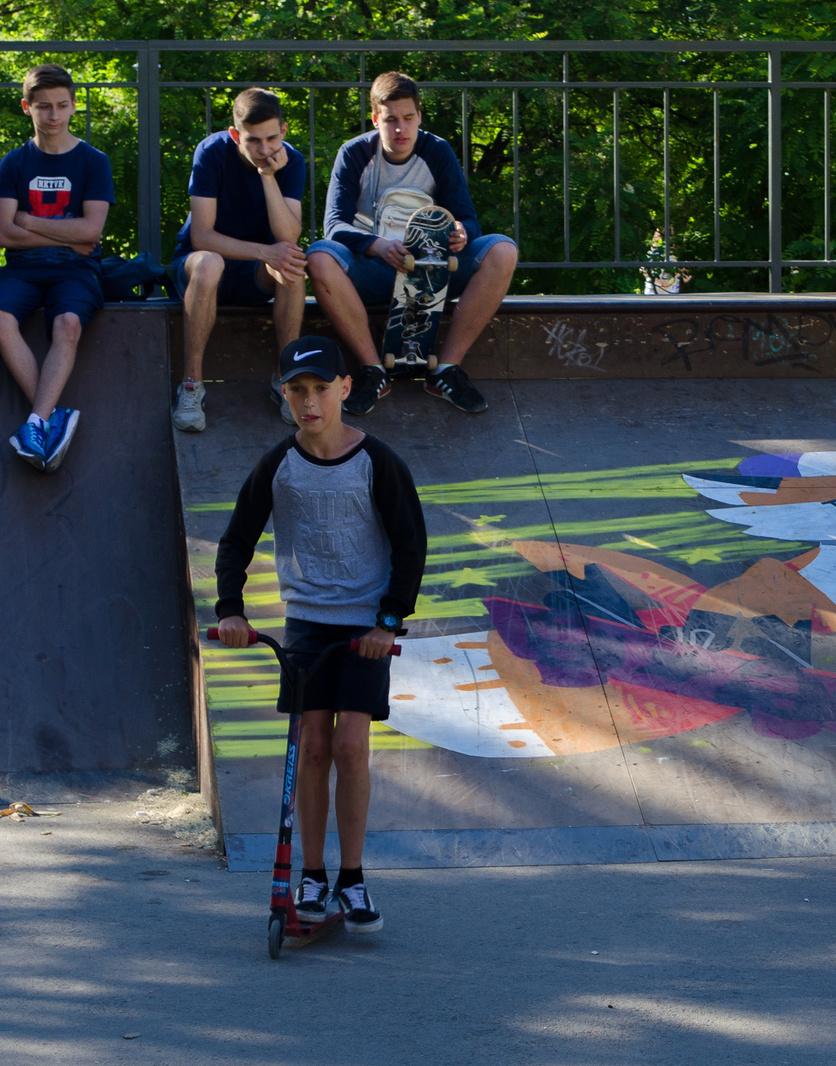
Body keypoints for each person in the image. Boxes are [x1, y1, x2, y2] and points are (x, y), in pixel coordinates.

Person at [213, 335, 427, 934]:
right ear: (285, 394)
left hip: (364, 626)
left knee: (351, 747)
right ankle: (311, 875)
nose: (310, 403)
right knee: (312, 748)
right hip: (306, 623)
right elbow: (236, 540)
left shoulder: (377, 462)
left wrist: (388, 621)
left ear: (345, 389)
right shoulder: (278, 464)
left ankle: (352, 878)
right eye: (297, 391)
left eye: (321, 389)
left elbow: (411, 547)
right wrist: (232, 610)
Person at [308, 70, 516, 417]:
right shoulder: (354, 153)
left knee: (503, 249)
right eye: (390, 120)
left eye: (408, 118)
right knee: (318, 257)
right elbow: (334, 226)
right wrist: (376, 246)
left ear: (420, 116)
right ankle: (374, 372)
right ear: (375, 119)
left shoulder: (437, 151)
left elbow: (469, 220)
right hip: (375, 269)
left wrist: (462, 233)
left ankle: (446, 370)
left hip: (431, 273)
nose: (400, 129)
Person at [170, 88, 308, 432]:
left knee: (290, 264)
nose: (264, 150)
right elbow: (202, 236)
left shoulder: (292, 161)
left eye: (272, 138)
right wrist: (264, 252)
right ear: (235, 135)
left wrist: (268, 177)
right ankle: (191, 385)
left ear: (284, 131)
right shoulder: (211, 152)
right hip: (199, 268)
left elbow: (287, 236)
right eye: (253, 141)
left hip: (252, 273)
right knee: (209, 263)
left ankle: (285, 378)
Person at [0, 64, 112, 473]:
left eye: (62, 106)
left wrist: (29, 221)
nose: (54, 116)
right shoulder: (13, 163)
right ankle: (47, 418)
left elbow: (92, 232)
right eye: (44, 107)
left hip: (76, 270)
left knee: (67, 324)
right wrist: (69, 234)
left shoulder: (93, 162)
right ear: (27, 107)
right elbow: (5, 236)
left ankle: (35, 422)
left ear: (73, 106)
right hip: (22, 269)